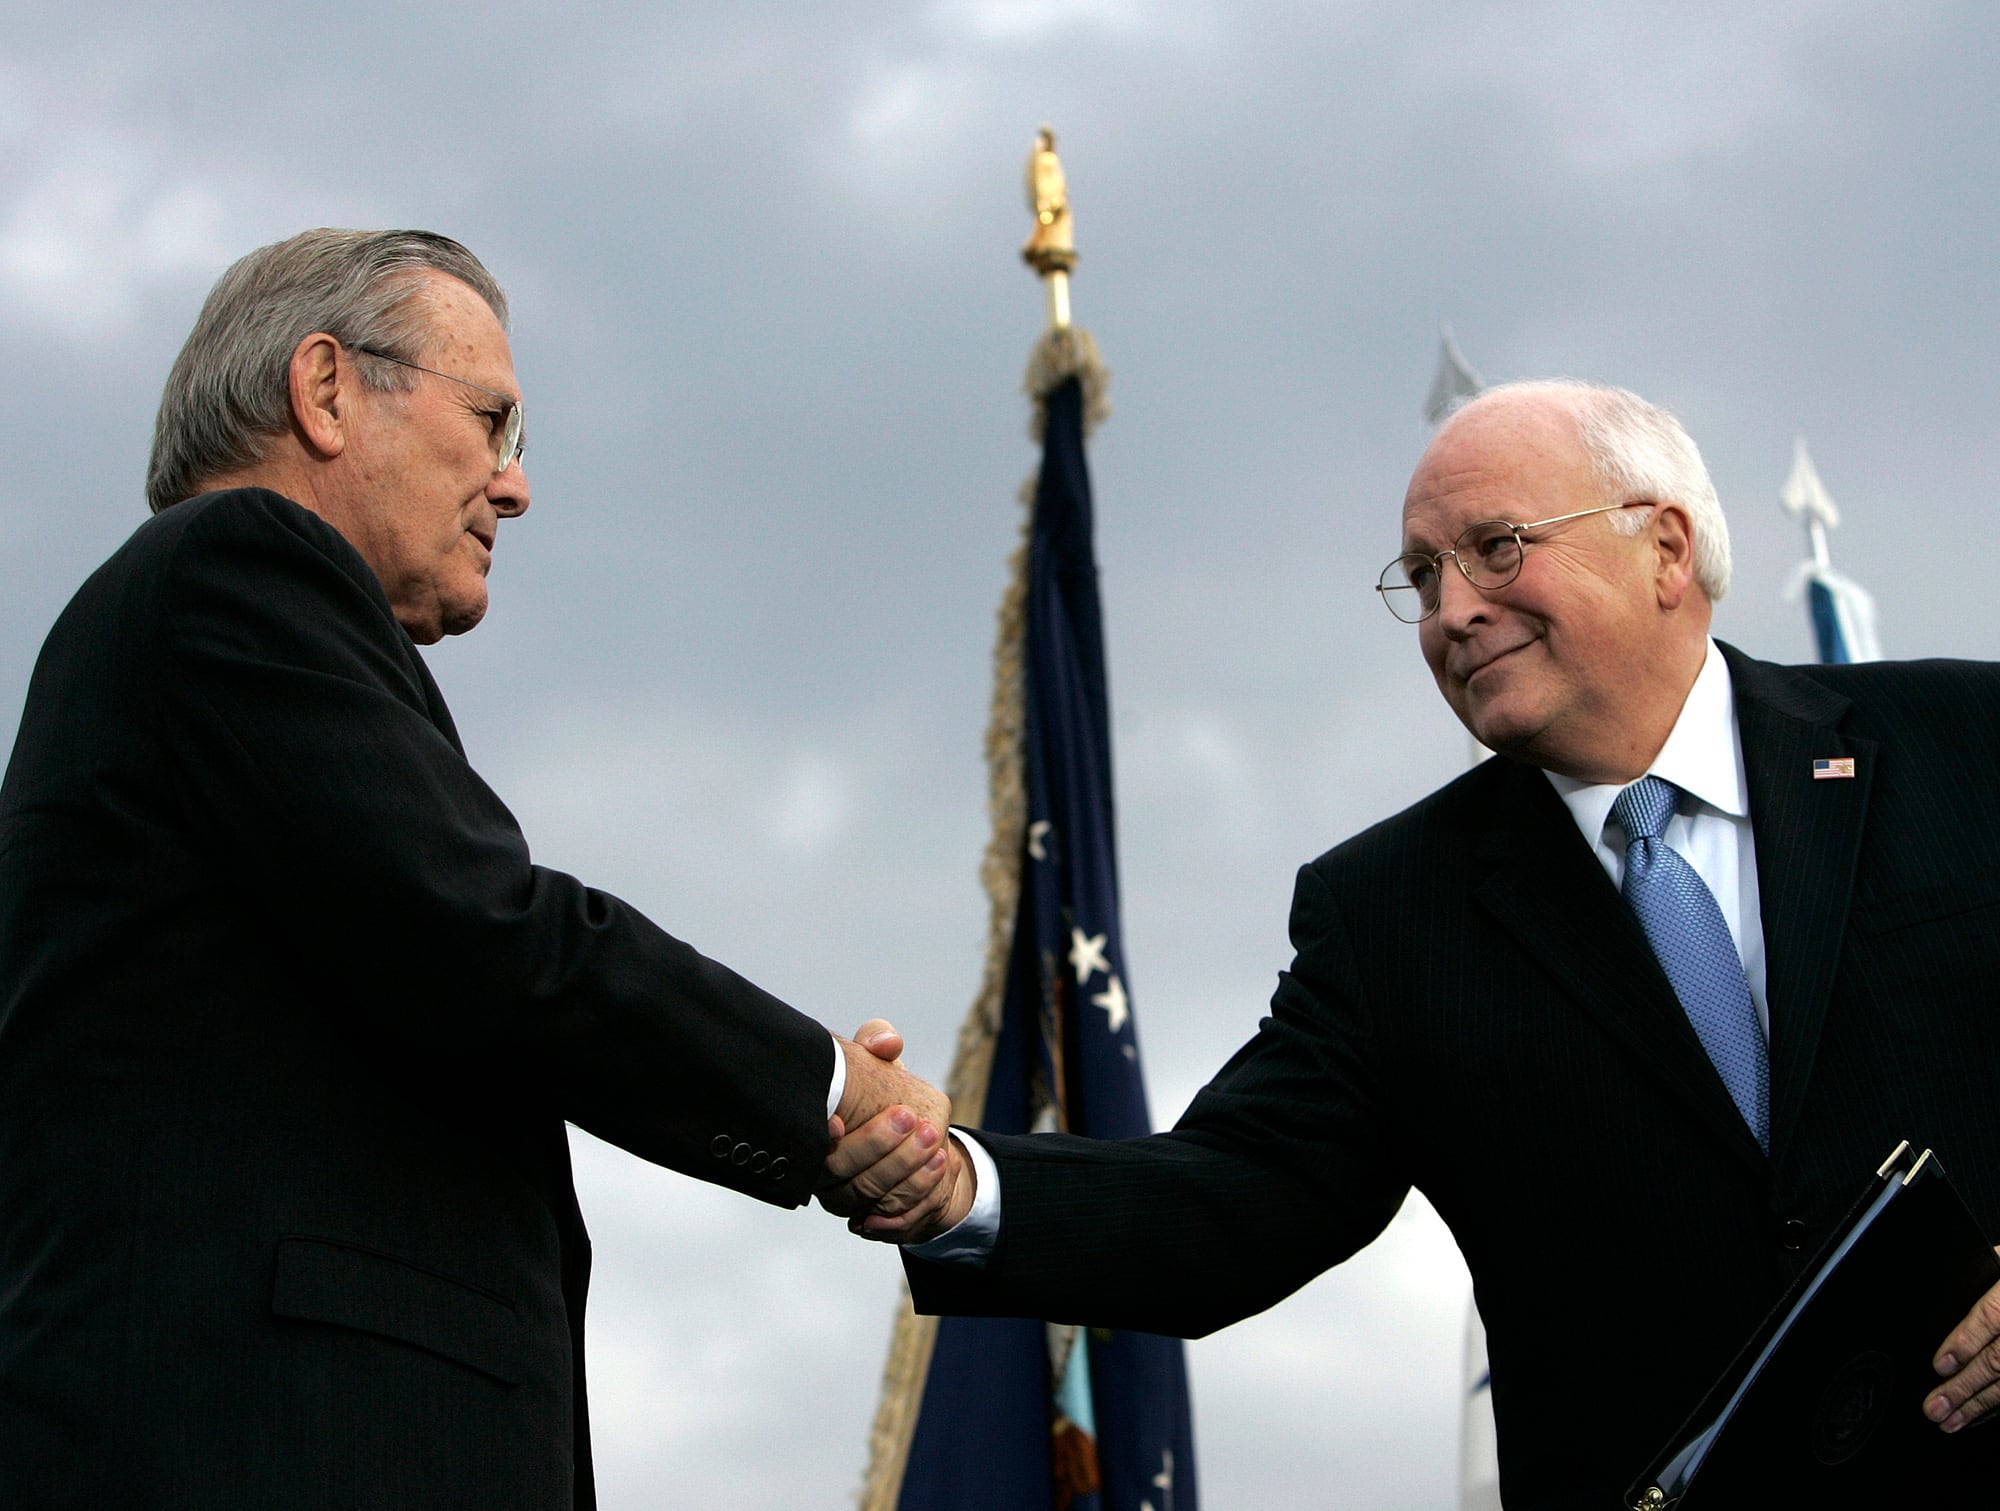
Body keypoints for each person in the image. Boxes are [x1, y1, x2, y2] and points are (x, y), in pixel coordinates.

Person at [836, 380, 2000, 1507]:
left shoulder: (1963, 747)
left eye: (1497, 546)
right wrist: (954, 1183)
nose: (1451, 611)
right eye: (1423, 575)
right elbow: (1228, 1201)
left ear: (1664, 547)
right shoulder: (1390, 912)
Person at [0, 227, 945, 1510]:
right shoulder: (231, 571)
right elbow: (488, 934)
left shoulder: (199, 627)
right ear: (326, 390)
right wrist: (829, 1090)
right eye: (492, 420)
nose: (514, 486)